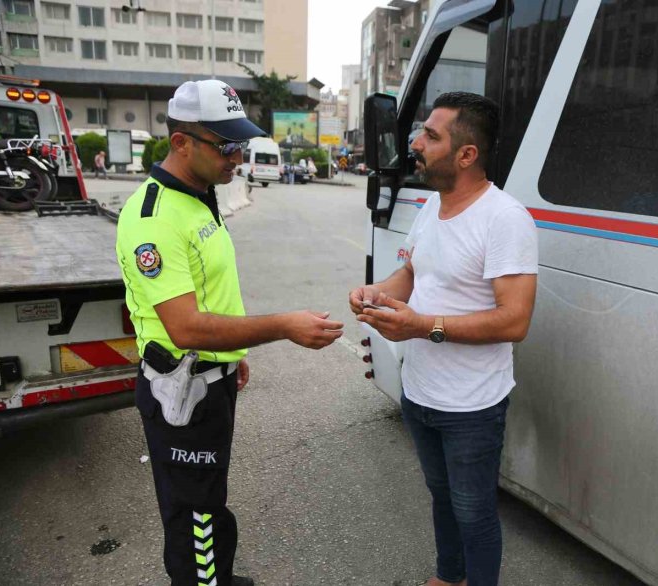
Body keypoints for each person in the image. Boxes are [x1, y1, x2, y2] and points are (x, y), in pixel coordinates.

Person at [116, 79, 344, 586]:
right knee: (193, 511)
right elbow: (184, 324)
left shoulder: (199, 196)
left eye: (240, 143)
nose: (237, 157)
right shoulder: (154, 218)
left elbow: (210, 295)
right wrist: (284, 325)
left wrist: (233, 353)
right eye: (226, 146)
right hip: (181, 390)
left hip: (210, 376)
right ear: (181, 143)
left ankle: (216, 576)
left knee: (209, 494)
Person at [349, 92, 538, 586]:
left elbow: (514, 320)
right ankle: (448, 576)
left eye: (431, 136)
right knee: (440, 496)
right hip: (421, 393)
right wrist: (377, 295)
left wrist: (422, 326)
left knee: (473, 512)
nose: (416, 142)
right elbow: (410, 276)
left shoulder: (505, 218)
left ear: (466, 154)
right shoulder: (432, 206)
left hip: (472, 406)